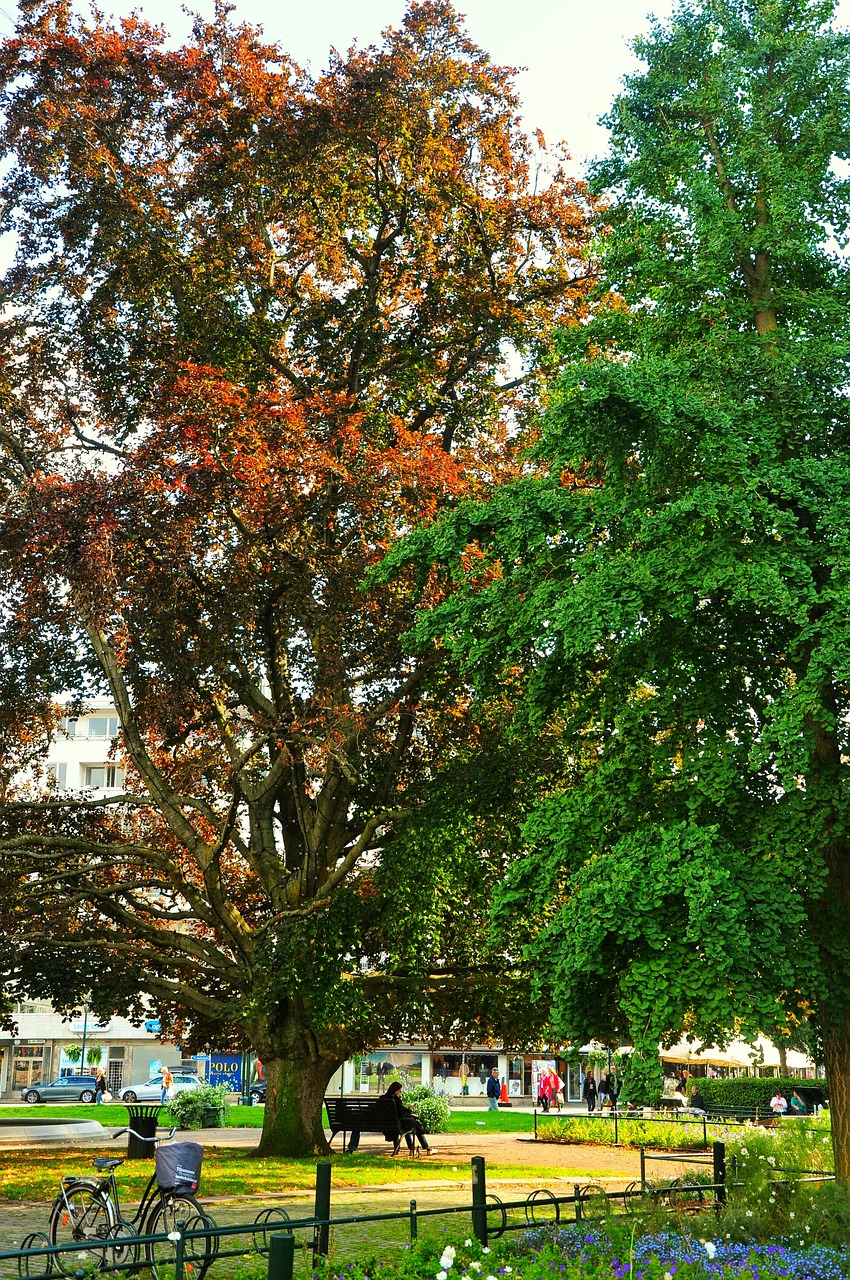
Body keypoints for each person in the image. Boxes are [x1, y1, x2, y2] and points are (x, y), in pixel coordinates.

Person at [385, 1080, 433, 1155]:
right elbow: (402, 1114)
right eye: (399, 1091)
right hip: (398, 1124)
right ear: (395, 1091)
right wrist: (409, 1110)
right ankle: (426, 1148)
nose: (400, 1093)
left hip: (386, 1125)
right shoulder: (395, 1100)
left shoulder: (382, 1099)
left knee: (407, 1125)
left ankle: (406, 1149)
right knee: (414, 1126)